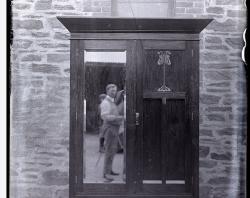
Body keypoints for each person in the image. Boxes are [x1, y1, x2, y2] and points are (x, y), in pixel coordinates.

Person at [100, 84, 124, 182]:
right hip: (109, 129)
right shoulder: (106, 102)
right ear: (107, 90)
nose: (114, 92)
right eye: (112, 91)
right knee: (109, 151)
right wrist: (119, 118)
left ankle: (109, 170)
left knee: (113, 150)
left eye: (115, 91)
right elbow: (105, 117)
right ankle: (105, 174)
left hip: (114, 129)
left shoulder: (112, 101)